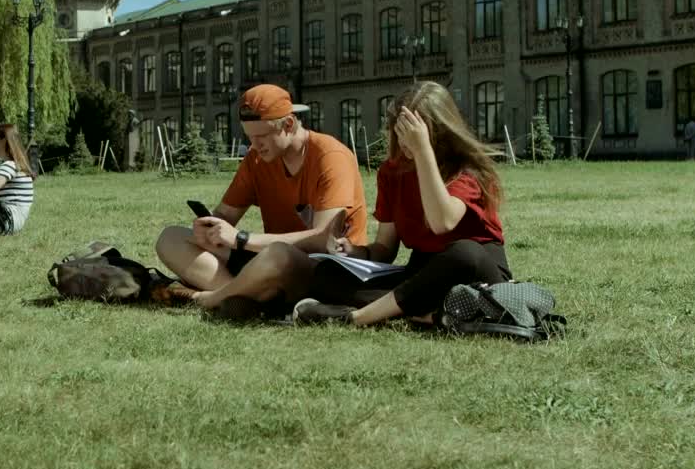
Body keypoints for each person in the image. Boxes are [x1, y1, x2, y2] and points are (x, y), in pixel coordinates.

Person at [293, 81, 510, 327]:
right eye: (400, 130)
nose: (405, 141)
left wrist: (422, 151)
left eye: (413, 131)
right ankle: (432, 315)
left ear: (439, 130)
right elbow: (385, 248)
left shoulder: (467, 169)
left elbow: (442, 222)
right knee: (326, 275)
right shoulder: (392, 172)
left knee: (464, 251)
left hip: (474, 273)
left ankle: (355, 317)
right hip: (420, 275)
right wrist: (356, 252)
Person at [154, 84, 368, 318]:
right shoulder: (257, 159)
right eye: (249, 137)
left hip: (322, 270)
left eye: (262, 137)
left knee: (277, 255)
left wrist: (242, 239)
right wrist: (211, 227)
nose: (254, 145)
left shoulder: (330, 157)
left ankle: (211, 299)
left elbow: (322, 239)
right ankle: (243, 297)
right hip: (266, 262)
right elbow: (225, 214)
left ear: (288, 125)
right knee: (170, 238)